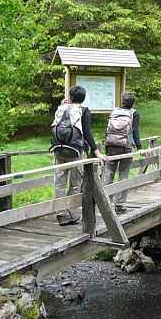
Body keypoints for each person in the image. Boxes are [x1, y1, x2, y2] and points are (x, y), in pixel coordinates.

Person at [51, 85, 108, 225]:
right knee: (75, 183)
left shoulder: (61, 108)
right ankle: (68, 211)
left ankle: (60, 211)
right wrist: (98, 153)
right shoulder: (83, 111)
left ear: (70, 96)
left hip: (58, 150)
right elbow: (87, 134)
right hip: (75, 152)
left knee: (59, 183)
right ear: (83, 98)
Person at [103, 91, 143, 214]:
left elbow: (107, 130)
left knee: (109, 174)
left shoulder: (114, 111)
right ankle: (119, 205)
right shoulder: (134, 113)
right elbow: (135, 131)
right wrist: (139, 147)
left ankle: (106, 202)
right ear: (133, 102)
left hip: (111, 147)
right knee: (123, 175)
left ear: (122, 101)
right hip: (126, 147)